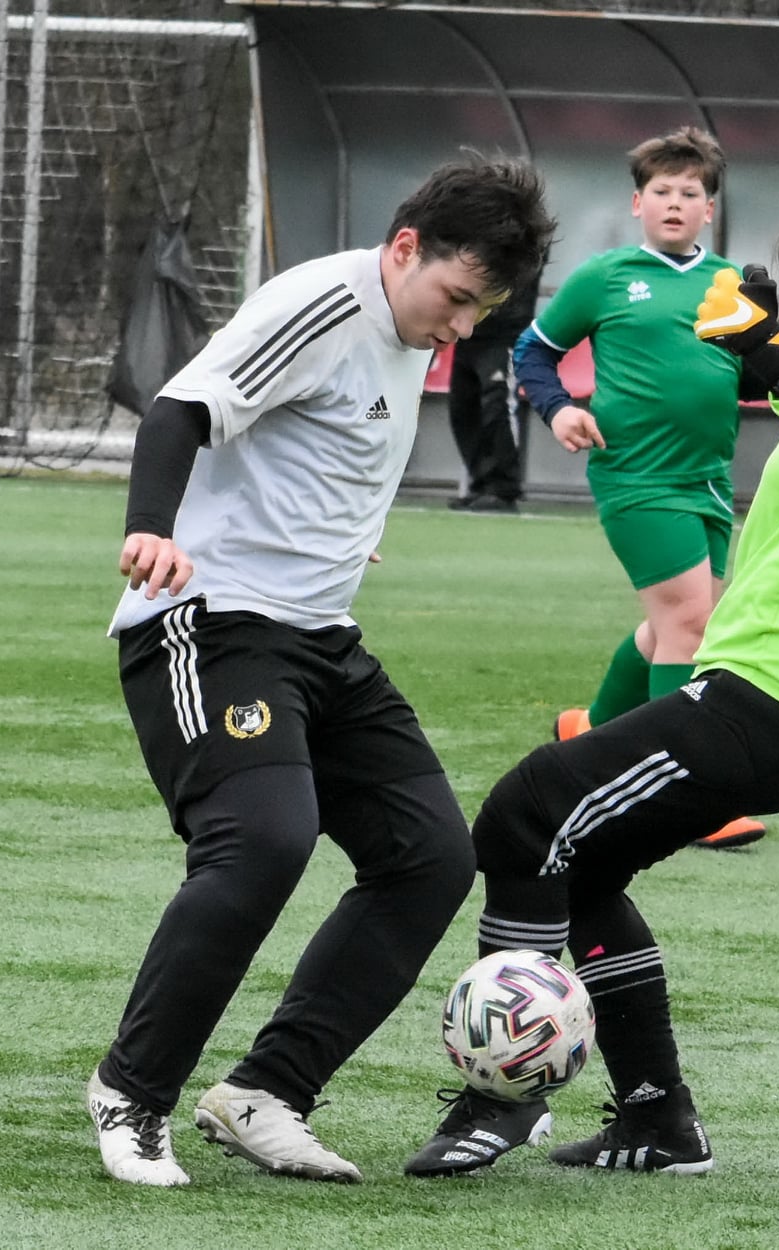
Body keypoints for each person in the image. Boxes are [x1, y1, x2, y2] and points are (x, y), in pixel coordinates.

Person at [405, 188, 779, 1179]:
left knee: (527, 812)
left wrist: (768, 350)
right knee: (580, 867)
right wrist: (776, 356)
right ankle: (658, 1120)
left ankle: (505, 1096)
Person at [87, 154, 556, 1188]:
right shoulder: (321, 303)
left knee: (430, 857)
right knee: (263, 840)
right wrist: (151, 530)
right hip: (208, 622)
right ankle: (132, 1090)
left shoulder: (411, 326)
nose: (459, 327)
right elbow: (178, 410)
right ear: (404, 248)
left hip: (319, 636)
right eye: (455, 297)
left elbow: (323, 445)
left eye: (481, 312)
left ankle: (267, 1092)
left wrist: (339, 536)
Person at [513, 124, 763, 851]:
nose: (674, 203)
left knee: (669, 627)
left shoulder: (730, 284)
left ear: (710, 209)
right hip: (636, 476)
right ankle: (684, 794)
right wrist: (558, 409)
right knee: (692, 623)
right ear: (637, 203)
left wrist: (773, 347)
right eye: (661, 191)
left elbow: (745, 379)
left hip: (708, 479)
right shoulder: (606, 277)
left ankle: (589, 730)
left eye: (689, 192)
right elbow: (533, 351)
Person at [448, 268, 540, 513]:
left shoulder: (524, 245)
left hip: (504, 333)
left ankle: (504, 488)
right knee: (462, 408)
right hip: (469, 331)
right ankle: (481, 484)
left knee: (498, 405)